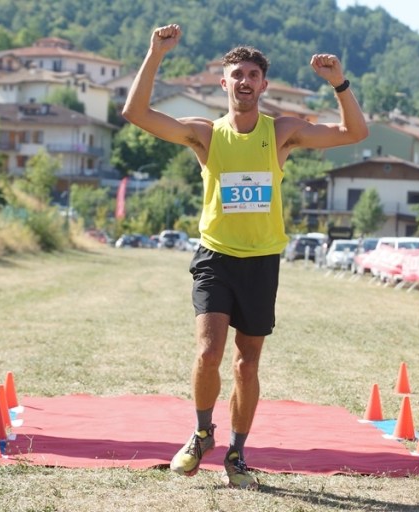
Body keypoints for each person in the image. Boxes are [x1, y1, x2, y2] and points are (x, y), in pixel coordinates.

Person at [122, 24, 368, 489]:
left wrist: (339, 83)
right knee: (207, 351)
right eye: (237, 74)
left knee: (246, 364)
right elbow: (136, 113)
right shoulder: (206, 135)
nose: (245, 81)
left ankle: (237, 452)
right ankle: (201, 434)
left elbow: (355, 132)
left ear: (264, 84)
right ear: (224, 83)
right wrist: (155, 54)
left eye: (253, 74)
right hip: (215, 256)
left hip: (261, 261)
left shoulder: (283, 133)